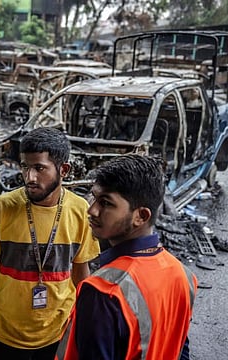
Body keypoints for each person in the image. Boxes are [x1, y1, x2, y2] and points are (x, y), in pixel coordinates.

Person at [0, 127, 100, 360]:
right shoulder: (2, 208)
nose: (29, 177)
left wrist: (81, 328)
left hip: (58, 331)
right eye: (25, 167)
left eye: (39, 168)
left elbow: (82, 275)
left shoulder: (80, 210)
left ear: (64, 170)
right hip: (6, 334)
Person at [55, 154, 198, 360]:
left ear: (141, 216)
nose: (92, 209)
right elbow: (180, 349)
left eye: (106, 203)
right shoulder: (184, 276)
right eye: (94, 198)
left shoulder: (104, 291)